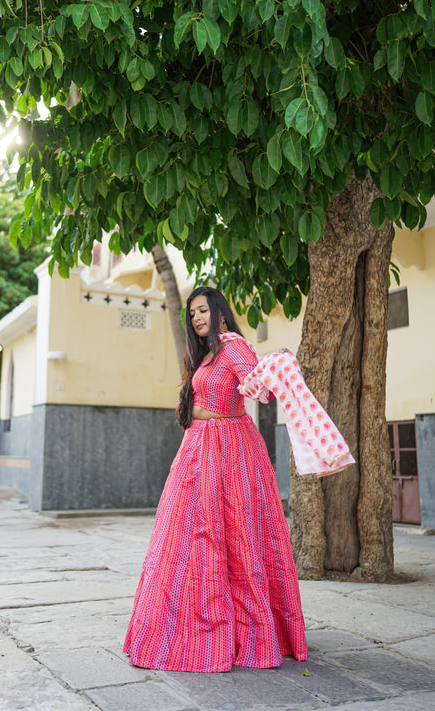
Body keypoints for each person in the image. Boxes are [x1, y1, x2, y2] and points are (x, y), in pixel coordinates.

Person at [123, 286, 308, 672]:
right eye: (192, 314)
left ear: (220, 312)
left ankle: (241, 632)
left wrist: (278, 366)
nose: (197, 318)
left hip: (228, 449)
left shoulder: (233, 345)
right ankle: (189, 627)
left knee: (233, 536)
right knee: (187, 538)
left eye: (203, 310)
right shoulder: (207, 355)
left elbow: (259, 387)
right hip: (198, 449)